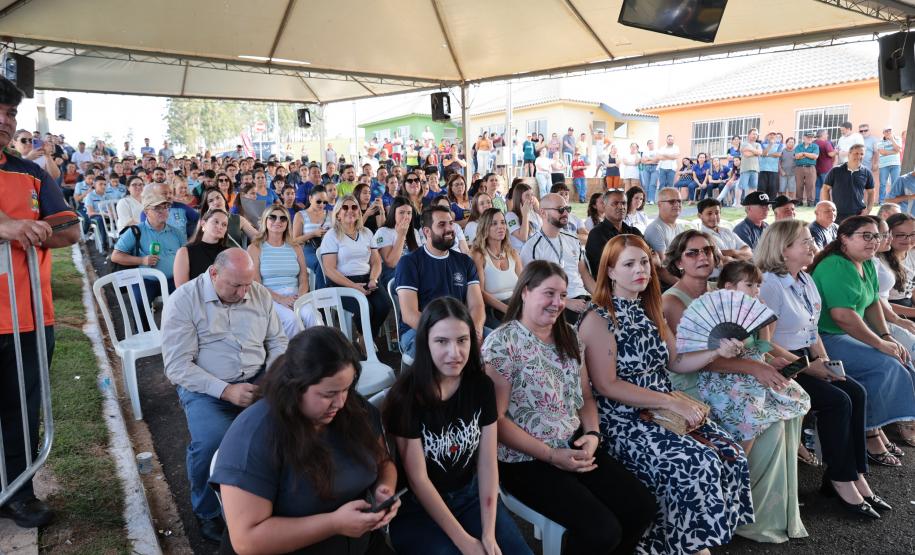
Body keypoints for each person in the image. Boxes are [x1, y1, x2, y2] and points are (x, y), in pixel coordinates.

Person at [577, 234, 753, 555]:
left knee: (730, 454)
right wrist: (670, 401)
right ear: (611, 271)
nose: (639, 270)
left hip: (663, 409)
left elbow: (677, 361)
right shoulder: (599, 316)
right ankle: (669, 545)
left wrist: (716, 350)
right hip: (624, 419)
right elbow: (607, 385)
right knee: (697, 463)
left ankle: (693, 542)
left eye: (643, 261)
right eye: (628, 264)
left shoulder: (650, 307)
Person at [482, 261, 656, 554]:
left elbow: (585, 396)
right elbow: (496, 420)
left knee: (641, 508)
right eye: (549, 293)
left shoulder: (569, 336)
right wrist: (551, 455)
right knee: (602, 530)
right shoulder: (503, 343)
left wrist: (592, 435)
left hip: (574, 443)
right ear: (525, 292)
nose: (558, 303)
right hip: (525, 459)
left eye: (562, 295)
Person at [663, 250, 810, 542]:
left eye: (706, 251)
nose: (756, 291)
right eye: (693, 253)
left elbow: (762, 347)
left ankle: (771, 498)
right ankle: (736, 482)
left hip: (743, 372)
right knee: (757, 413)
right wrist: (757, 365)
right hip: (712, 378)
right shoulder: (681, 303)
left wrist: (766, 323)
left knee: (790, 396)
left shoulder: (744, 305)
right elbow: (696, 359)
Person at [211, 327, 399, 554]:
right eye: (328, 394)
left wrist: (384, 489)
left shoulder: (353, 410)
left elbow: (382, 462)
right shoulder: (254, 435)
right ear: (296, 386)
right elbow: (246, 540)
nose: (340, 403)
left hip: (359, 544)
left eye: (346, 389)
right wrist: (334, 523)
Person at [756, 220, 888, 518]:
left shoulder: (804, 278)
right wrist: (809, 367)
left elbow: (812, 329)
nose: (811, 245)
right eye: (803, 241)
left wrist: (827, 363)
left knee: (854, 390)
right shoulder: (769, 284)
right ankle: (841, 479)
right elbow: (762, 344)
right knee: (836, 401)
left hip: (807, 357)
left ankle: (853, 474)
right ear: (783, 249)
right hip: (780, 362)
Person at [382, 298, 531, 555]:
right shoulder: (404, 398)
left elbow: (486, 462)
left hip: (468, 495)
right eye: (442, 341)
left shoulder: (481, 386)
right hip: (418, 508)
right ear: (425, 343)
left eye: (462, 340)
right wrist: (464, 541)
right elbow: (419, 480)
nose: (455, 353)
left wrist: (487, 532)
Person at [162, 248, 288, 542]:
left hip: (259, 379)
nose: (244, 292)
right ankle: (206, 511)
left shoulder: (257, 293)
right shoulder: (184, 300)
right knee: (211, 442)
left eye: (248, 283)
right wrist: (227, 391)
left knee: (286, 429)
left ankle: (273, 496)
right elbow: (178, 366)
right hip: (207, 388)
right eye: (236, 285)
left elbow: (277, 340)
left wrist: (271, 376)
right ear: (214, 273)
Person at [0, 77, 78, 529]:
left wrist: (41, 230)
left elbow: (70, 225)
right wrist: (7, 226)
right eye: (0, 110)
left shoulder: (31, 174)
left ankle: (19, 491)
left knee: (23, 410)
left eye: (11, 113)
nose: (5, 121)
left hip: (27, 315)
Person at [807, 216, 915, 464]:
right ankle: (869, 434)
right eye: (866, 236)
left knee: (899, 356)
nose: (873, 241)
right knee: (885, 364)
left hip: (848, 333)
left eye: (876, 236)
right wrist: (880, 343)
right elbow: (843, 316)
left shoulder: (866, 263)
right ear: (844, 238)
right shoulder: (835, 265)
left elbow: (872, 303)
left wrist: (886, 334)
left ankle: (876, 428)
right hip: (826, 338)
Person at [394, 206, 485, 359]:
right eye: (442, 225)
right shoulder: (409, 262)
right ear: (427, 232)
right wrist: (448, 335)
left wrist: (475, 330)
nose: (449, 228)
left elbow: (477, 305)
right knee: (443, 355)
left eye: (451, 223)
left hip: (461, 328)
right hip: (419, 330)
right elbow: (409, 315)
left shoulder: (465, 262)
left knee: (496, 345)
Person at [320, 195, 390, 333]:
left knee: (384, 305)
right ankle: (366, 342)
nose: (350, 210)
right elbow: (329, 269)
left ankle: (366, 337)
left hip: (367, 279)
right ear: (338, 214)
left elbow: (376, 261)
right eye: (345, 207)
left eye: (354, 207)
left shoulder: (367, 233)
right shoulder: (331, 235)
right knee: (365, 308)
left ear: (359, 212)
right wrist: (353, 286)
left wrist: (373, 279)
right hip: (342, 282)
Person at [521, 193, 595, 323]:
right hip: (556, 305)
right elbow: (533, 288)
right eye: (561, 209)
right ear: (543, 213)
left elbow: (584, 274)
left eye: (568, 209)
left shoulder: (573, 239)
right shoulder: (532, 247)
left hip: (584, 299)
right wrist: (565, 302)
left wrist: (601, 297)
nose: (566, 213)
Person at [248, 205, 319, 339]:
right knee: (292, 321)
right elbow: (256, 283)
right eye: (272, 217)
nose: (278, 221)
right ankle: (294, 357)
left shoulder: (295, 247)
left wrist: (299, 297)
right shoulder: (255, 248)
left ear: (287, 223)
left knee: (312, 316)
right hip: (270, 297)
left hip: (296, 295)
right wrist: (281, 299)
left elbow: (303, 277)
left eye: (283, 218)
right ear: (265, 221)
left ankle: (315, 355)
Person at [111, 188, 187, 298]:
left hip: (173, 279)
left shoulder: (176, 232)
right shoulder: (135, 231)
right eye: (157, 208)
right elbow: (115, 256)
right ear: (146, 212)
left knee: (184, 302)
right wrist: (142, 260)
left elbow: (187, 256)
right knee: (139, 306)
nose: (163, 211)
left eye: (165, 207)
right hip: (146, 280)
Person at [470, 207, 520, 329]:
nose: (500, 226)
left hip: (515, 305)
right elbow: (480, 292)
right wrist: (506, 309)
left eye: (503, 222)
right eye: (494, 223)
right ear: (485, 228)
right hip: (492, 309)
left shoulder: (513, 253)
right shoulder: (478, 255)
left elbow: (524, 284)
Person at [584, 189, 642, 279]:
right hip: (611, 285)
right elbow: (612, 264)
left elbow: (651, 255)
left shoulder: (634, 232)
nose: (621, 207)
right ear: (604, 206)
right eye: (615, 203)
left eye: (624, 203)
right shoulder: (597, 234)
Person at [173, 208, 229, 287]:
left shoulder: (229, 253)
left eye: (224, 224)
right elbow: (182, 290)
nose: (220, 226)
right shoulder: (184, 252)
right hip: (195, 297)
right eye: (216, 222)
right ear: (203, 224)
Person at [822, 144, 875, 223]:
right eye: (856, 153)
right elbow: (826, 189)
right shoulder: (835, 171)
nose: (859, 156)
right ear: (849, 154)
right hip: (838, 214)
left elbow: (871, 192)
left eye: (862, 154)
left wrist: (868, 210)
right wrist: (829, 207)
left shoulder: (867, 172)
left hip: (858, 214)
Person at [695, 198, 751, 270]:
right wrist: (740, 256)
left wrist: (732, 252)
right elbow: (724, 262)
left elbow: (749, 253)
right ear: (700, 216)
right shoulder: (701, 237)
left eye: (717, 213)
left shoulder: (727, 231)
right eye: (709, 213)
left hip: (739, 273)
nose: (714, 217)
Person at [643, 187, 690, 260]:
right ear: (659, 204)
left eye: (679, 201)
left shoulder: (680, 227)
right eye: (672, 201)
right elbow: (664, 263)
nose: (677, 204)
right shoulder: (655, 229)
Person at [504, 182, 541, 251]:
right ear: (519, 199)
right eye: (527, 195)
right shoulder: (510, 216)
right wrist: (525, 215)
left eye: (532, 195)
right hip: (521, 255)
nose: (531, 198)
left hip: (536, 251)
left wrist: (537, 209)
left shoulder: (533, 213)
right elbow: (523, 237)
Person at [877, 126, 902, 204]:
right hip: (884, 165)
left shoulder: (897, 139)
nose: (888, 132)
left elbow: (899, 150)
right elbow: (882, 152)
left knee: (895, 183)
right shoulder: (880, 141)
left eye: (889, 131)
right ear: (883, 133)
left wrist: (892, 140)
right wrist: (894, 151)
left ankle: (893, 201)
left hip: (896, 164)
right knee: (883, 184)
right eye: (886, 131)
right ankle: (881, 202)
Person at [794, 131, 819, 207]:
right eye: (808, 137)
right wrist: (809, 155)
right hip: (799, 168)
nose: (810, 138)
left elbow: (815, 156)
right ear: (804, 137)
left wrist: (803, 154)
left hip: (810, 168)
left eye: (811, 137)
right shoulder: (798, 146)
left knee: (811, 185)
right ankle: (799, 201)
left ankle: (810, 202)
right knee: (799, 185)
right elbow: (797, 156)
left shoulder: (815, 146)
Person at [815, 129, 838, 203]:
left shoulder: (814, 143)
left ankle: (817, 201)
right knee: (827, 186)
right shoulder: (826, 143)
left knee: (817, 186)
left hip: (816, 168)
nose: (827, 135)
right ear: (822, 135)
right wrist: (836, 151)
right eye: (826, 134)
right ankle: (828, 202)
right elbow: (830, 154)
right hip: (826, 168)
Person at [739, 128, 762, 193]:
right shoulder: (744, 144)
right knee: (742, 187)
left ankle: (751, 202)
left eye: (756, 134)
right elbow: (747, 154)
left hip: (755, 169)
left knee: (753, 187)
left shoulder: (758, 144)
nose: (755, 136)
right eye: (753, 134)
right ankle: (739, 202)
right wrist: (756, 153)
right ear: (749, 135)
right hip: (745, 169)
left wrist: (751, 149)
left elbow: (760, 153)